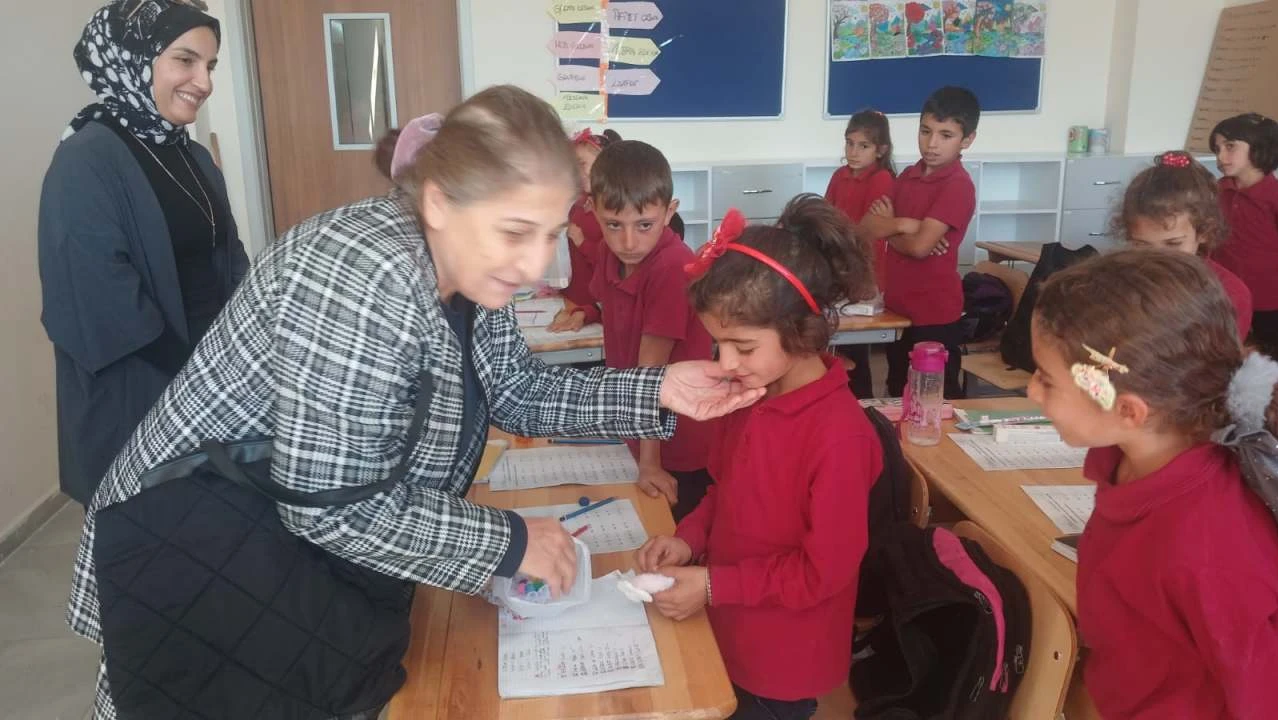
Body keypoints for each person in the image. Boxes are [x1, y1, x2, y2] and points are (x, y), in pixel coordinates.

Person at [68, 84, 762, 719]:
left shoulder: (465, 262)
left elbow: (517, 390)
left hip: (283, 553)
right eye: (515, 232)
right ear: (438, 202)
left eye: (551, 234)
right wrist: (509, 541)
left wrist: (659, 387)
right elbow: (332, 505)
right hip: (203, 540)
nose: (534, 265)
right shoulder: (360, 275)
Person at [637, 195, 883, 720]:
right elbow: (723, 493)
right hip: (728, 625)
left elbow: (824, 572)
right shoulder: (751, 396)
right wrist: (688, 539)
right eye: (717, 345)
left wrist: (712, 584)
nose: (727, 363)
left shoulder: (839, 436)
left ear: (800, 331)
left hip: (784, 660)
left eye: (743, 347)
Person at [1027, 249, 1278, 718]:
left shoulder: (1208, 549)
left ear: (1128, 411)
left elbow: (1262, 696)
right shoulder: (1126, 461)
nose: (1031, 390)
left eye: (1047, 380)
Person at [38, 0, 249, 506]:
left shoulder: (191, 154)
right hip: (140, 389)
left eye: (210, 65)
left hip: (210, 381)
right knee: (158, 533)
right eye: (185, 60)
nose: (204, 81)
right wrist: (196, 377)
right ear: (133, 58)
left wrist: (245, 348)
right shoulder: (86, 158)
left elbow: (229, 255)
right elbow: (98, 298)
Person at [588, 140, 717, 521]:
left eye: (644, 225)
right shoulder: (608, 253)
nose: (628, 242)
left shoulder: (671, 268)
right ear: (593, 210)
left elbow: (651, 375)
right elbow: (607, 311)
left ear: (669, 212)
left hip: (674, 443)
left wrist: (649, 463)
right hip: (636, 428)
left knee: (670, 535)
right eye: (614, 225)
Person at [857, 86, 980, 399]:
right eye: (925, 131)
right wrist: (906, 225)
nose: (932, 143)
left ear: (967, 140)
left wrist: (893, 229)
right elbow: (868, 226)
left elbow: (919, 248)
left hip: (934, 314)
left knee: (934, 399)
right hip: (898, 308)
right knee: (898, 390)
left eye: (946, 135)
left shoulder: (958, 185)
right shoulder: (909, 175)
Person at [1116, 150, 1252, 339]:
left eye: (1173, 244)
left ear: (1204, 231)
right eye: (1142, 245)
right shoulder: (1119, 281)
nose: (1158, 260)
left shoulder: (1230, 294)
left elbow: (1225, 353)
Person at [824, 108, 896, 399]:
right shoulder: (839, 175)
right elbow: (825, 219)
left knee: (854, 348)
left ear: (881, 150)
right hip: (838, 270)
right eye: (849, 143)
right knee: (836, 344)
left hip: (865, 275)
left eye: (863, 146)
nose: (853, 152)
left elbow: (867, 231)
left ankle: (861, 403)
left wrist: (837, 237)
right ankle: (838, 398)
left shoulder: (881, 179)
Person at [1210, 112, 1278, 358]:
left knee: (1269, 360)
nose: (1221, 157)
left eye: (1230, 147)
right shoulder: (1217, 190)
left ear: (1259, 148)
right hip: (1224, 294)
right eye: (1217, 149)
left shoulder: (1275, 196)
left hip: (1269, 301)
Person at [546, 127, 622, 333]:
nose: (576, 173)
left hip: (595, 308)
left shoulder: (614, 212)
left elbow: (615, 264)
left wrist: (582, 242)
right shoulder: (580, 203)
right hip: (572, 301)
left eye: (582, 164)